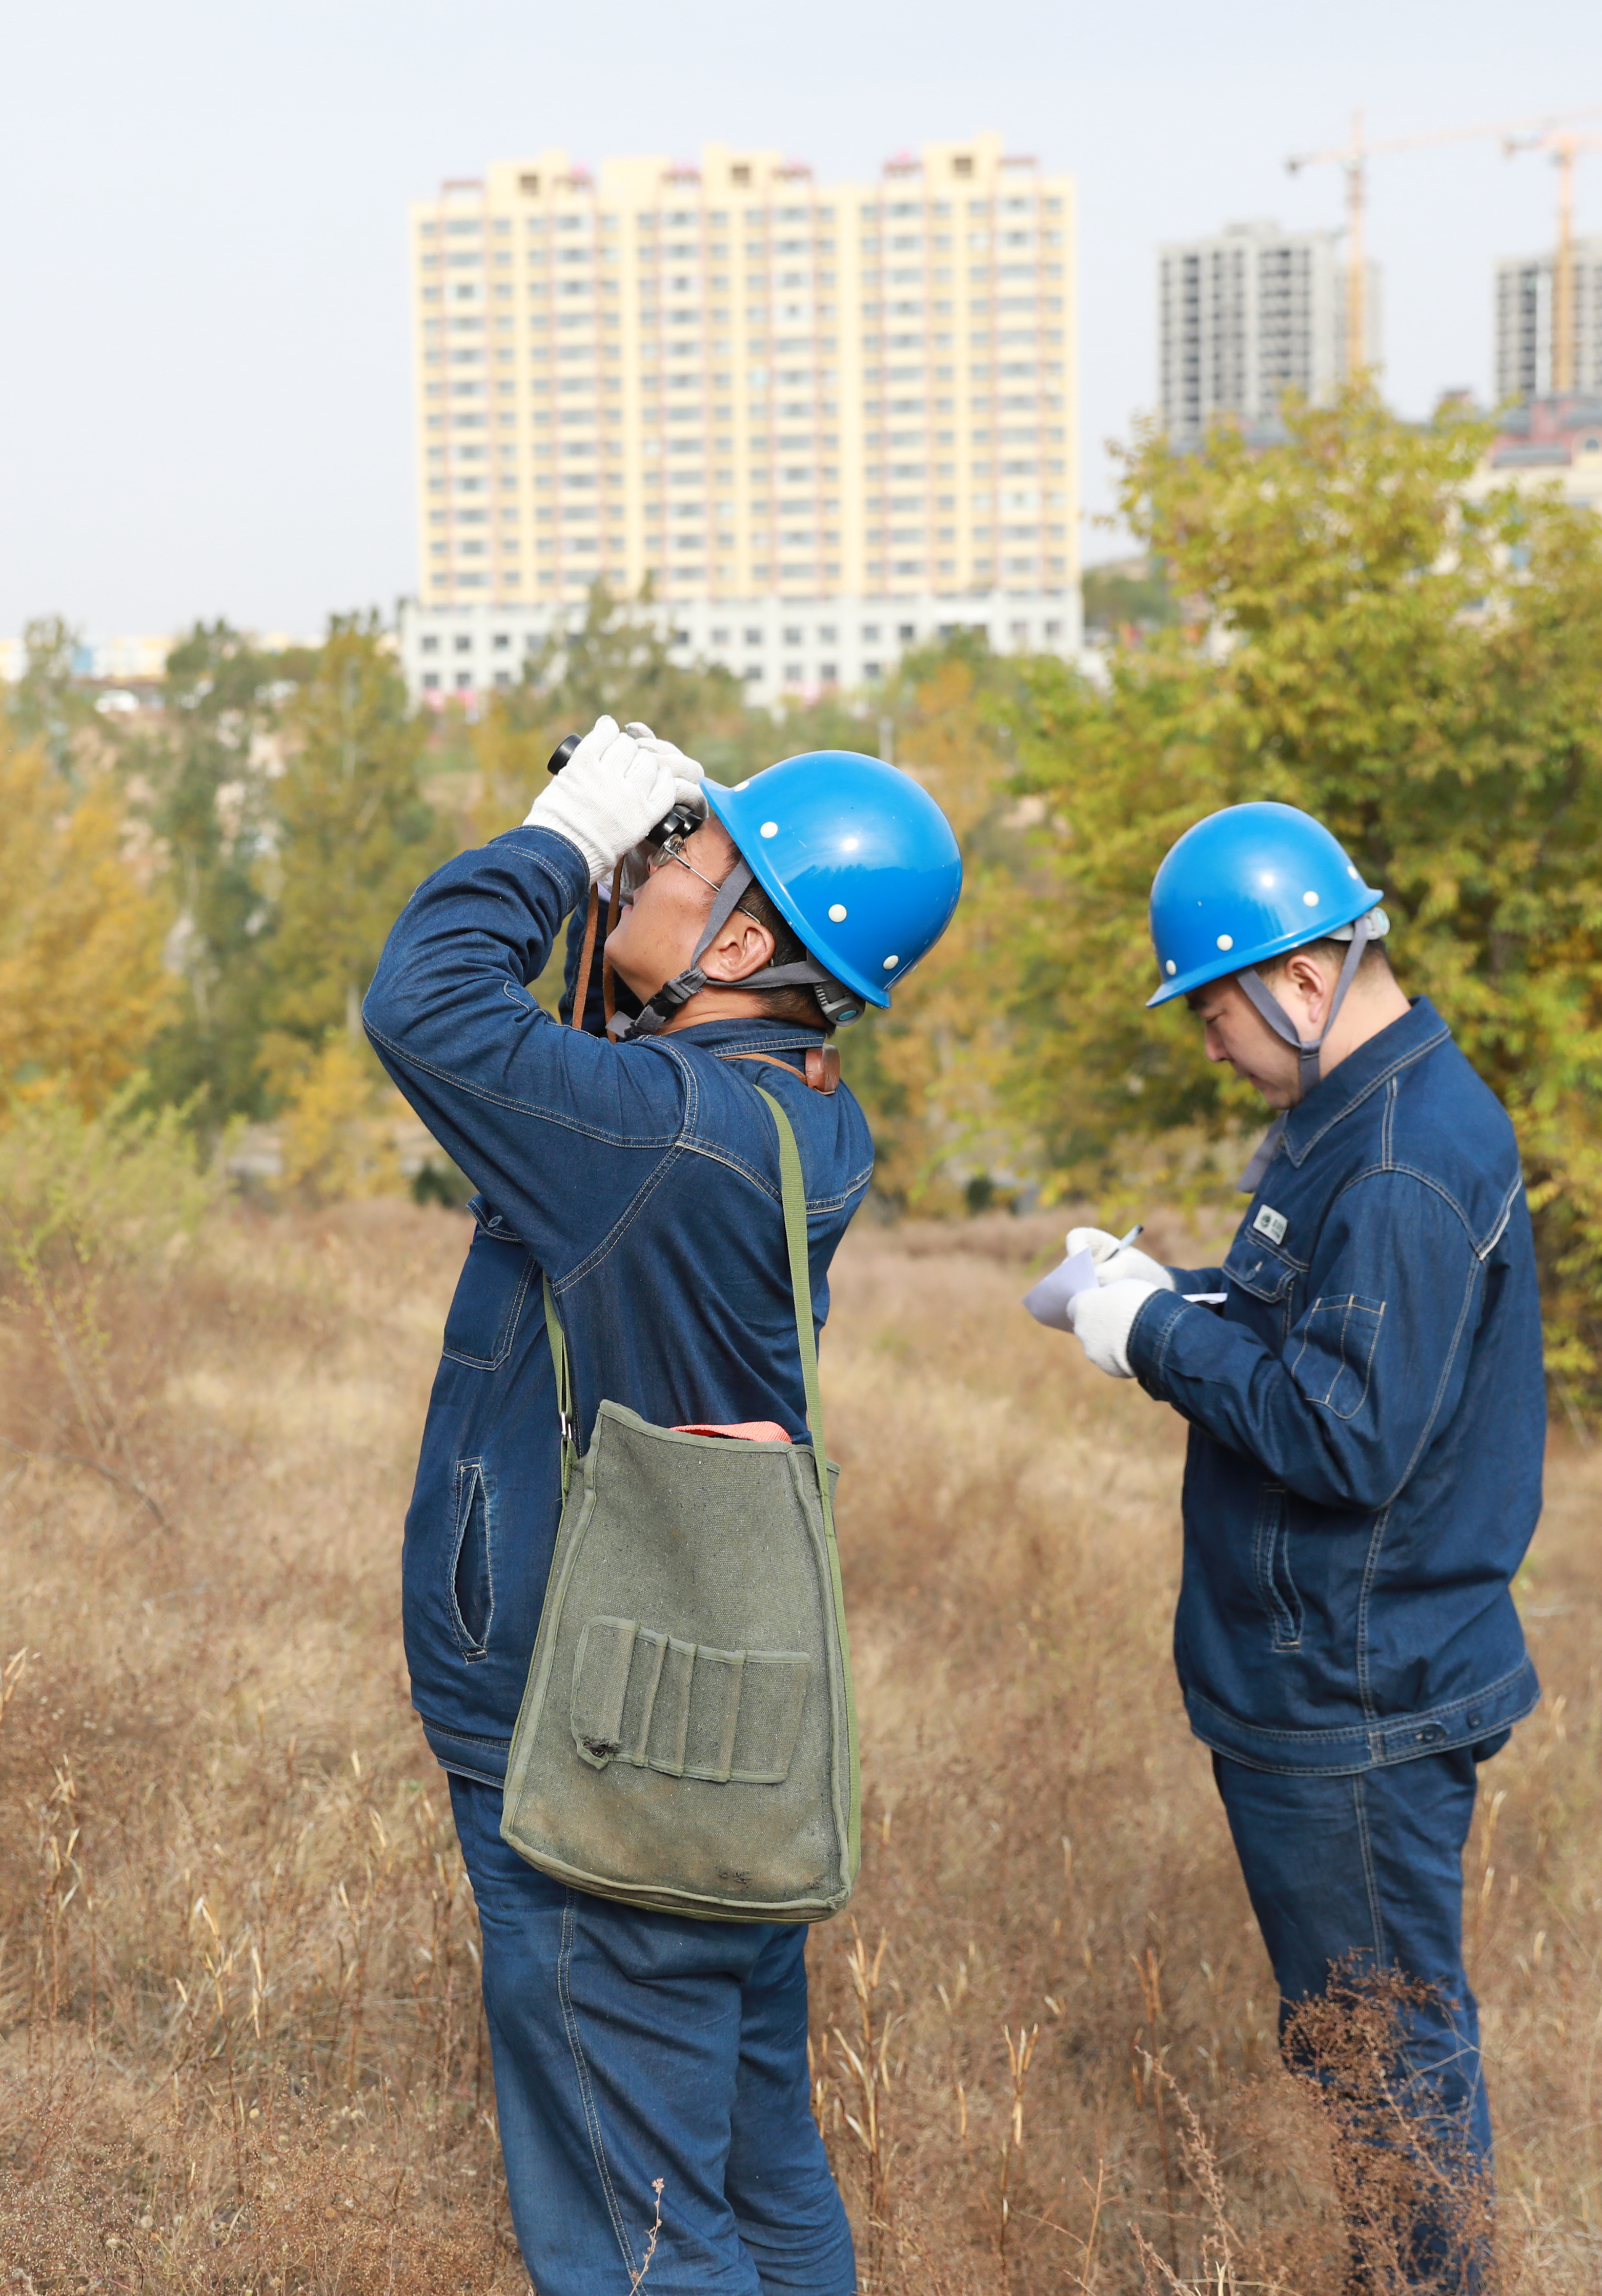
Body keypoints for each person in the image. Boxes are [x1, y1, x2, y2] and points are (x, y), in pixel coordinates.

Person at [360, 718, 963, 2295]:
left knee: (641, 2229)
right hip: (724, 1730)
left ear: (749, 935)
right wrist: (644, 880)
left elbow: (421, 1002)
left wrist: (562, 845)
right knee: (760, 2169)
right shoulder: (785, 1116)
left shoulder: (653, 1140)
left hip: (593, 1725)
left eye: (683, 855)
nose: (648, 858)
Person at [1057, 801, 1543, 2291]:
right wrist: (1178, 1296)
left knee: (1387, 2073)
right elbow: (1317, 1331)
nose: (1210, 1042)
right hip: (1328, 1679)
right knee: (1362, 2055)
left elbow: (1346, 1435)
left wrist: (1148, 1342)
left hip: (1357, 1693)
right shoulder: (1352, 1123)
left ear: (1303, 977)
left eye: (1213, 1007)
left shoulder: (1395, 1157)